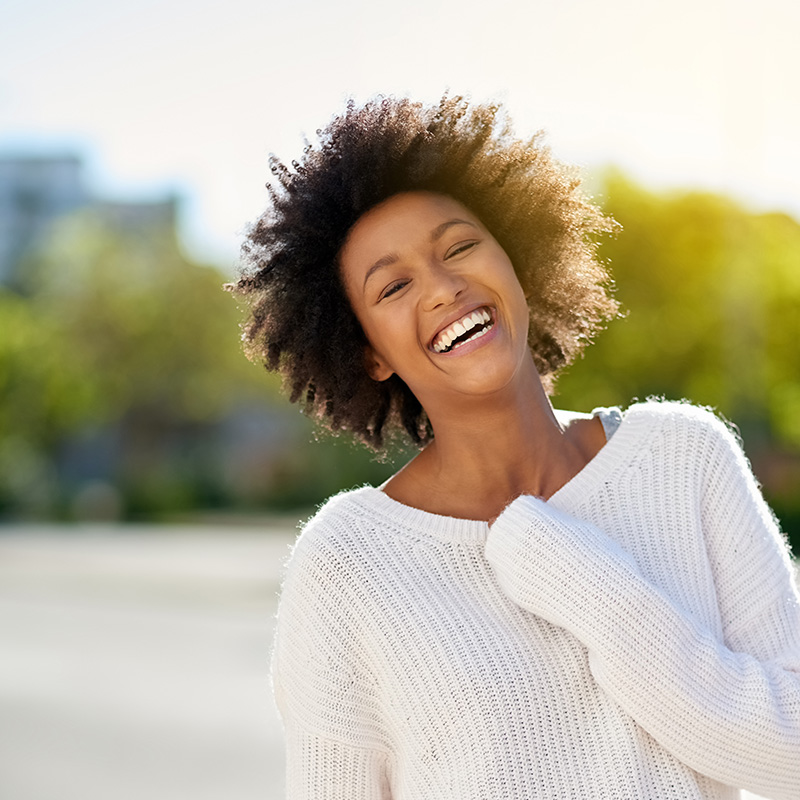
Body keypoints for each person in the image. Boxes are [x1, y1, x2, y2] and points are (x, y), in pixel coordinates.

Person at [228, 96, 800, 799]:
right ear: (369, 353)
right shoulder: (349, 562)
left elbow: (790, 750)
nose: (443, 288)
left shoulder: (684, 458)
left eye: (460, 246)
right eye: (396, 285)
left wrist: (582, 580)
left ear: (518, 260)